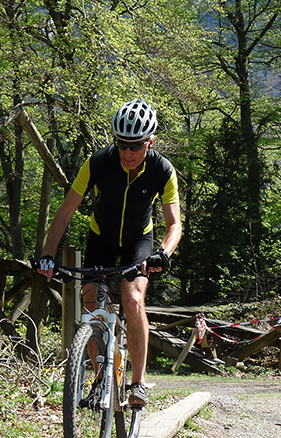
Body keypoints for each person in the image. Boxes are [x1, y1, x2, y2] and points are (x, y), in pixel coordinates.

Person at [37, 99, 182, 409]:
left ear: (150, 142)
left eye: (136, 145)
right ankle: (102, 379)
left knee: (132, 300)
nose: (128, 152)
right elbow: (64, 213)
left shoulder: (162, 170)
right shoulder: (98, 163)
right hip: (101, 239)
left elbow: (175, 224)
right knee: (91, 304)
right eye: (122, 144)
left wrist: (164, 253)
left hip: (138, 241)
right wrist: (48, 255)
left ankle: (138, 383)